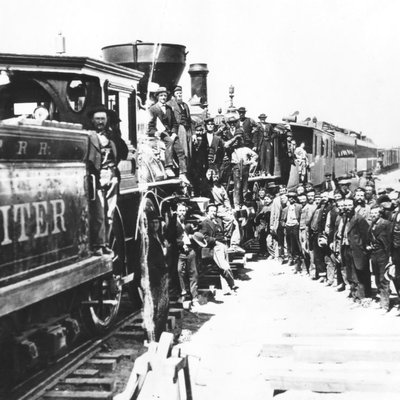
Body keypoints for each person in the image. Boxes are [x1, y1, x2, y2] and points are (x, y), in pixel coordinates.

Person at [87, 105, 128, 256]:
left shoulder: (112, 137)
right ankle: (97, 244)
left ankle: (105, 243)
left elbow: (123, 151)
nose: (100, 122)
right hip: (96, 178)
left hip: (112, 176)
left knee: (109, 213)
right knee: (98, 213)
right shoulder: (88, 135)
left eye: (102, 119)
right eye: (97, 119)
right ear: (92, 120)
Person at [147, 87, 190, 184]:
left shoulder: (169, 109)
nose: (163, 97)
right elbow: (150, 126)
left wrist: (174, 134)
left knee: (181, 151)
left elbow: (175, 123)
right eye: (161, 95)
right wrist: (155, 132)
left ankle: (183, 173)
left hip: (170, 133)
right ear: (157, 97)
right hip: (160, 133)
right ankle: (168, 167)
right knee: (169, 141)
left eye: (165, 96)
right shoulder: (152, 109)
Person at [200, 204, 238, 293]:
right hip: (216, 247)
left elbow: (229, 221)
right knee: (225, 267)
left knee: (222, 268)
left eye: (215, 211)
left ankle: (227, 289)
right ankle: (232, 283)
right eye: (211, 211)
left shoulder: (218, 220)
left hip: (223, 245)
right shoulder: (205, 223)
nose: (214, 213)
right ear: (207, 212)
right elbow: (204, 237)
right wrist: (215, 241)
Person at [147, 211, 169, 340]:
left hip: (163, 273)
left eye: (157, 222)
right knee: (156, 306)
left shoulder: (160, 236)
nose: (155, 225)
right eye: (153, 222)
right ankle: (155, 335)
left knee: (164, 305)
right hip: (155, 275)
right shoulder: (148, 239)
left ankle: (160, 332)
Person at [367, 206, 392, 311]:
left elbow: (390, 240)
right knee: (377, 277)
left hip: (383, 253)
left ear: (380, 213)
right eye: (371, 213)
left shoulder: (386, 224)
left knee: (383, 278)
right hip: (374, 253)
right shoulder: (371, 224)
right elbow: (369, 238)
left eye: (375, 213)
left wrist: (390, 255)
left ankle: (385, 304)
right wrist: (368, 245)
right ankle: (382, 296)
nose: (373, 215)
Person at [230, 135, 258, 208]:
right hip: (236, 167)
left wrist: (249, 162)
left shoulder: (246, 149)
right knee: (237, 186)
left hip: (245, 167)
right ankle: (237, 203)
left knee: (245, 186)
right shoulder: (233, 149)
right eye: (238, 140)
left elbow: (255, 155)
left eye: (241, 140)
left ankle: (243, 202)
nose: (239, 142)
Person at [167, 85, 193, 159]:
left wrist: (193, 133)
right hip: (179, 128)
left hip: (188, 129)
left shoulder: (185, 105)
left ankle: (188, 168)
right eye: (177, 93)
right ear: (174, 94)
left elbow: (190, 120)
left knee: (189, 150)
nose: (179, 94)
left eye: (180, 93)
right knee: (183, 150)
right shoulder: (169, 104)